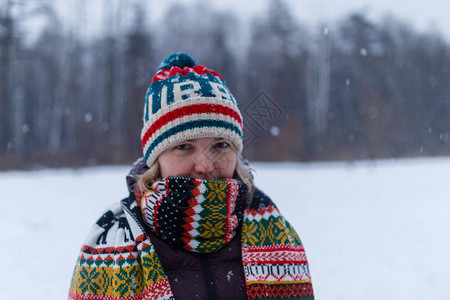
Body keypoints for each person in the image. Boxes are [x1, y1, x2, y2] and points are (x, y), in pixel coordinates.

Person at [68, 53, 314, 300]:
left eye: (220, 145)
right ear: (155, 160)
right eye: (184, 147)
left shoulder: (274, 229)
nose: (206, 166)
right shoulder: (112, 239)